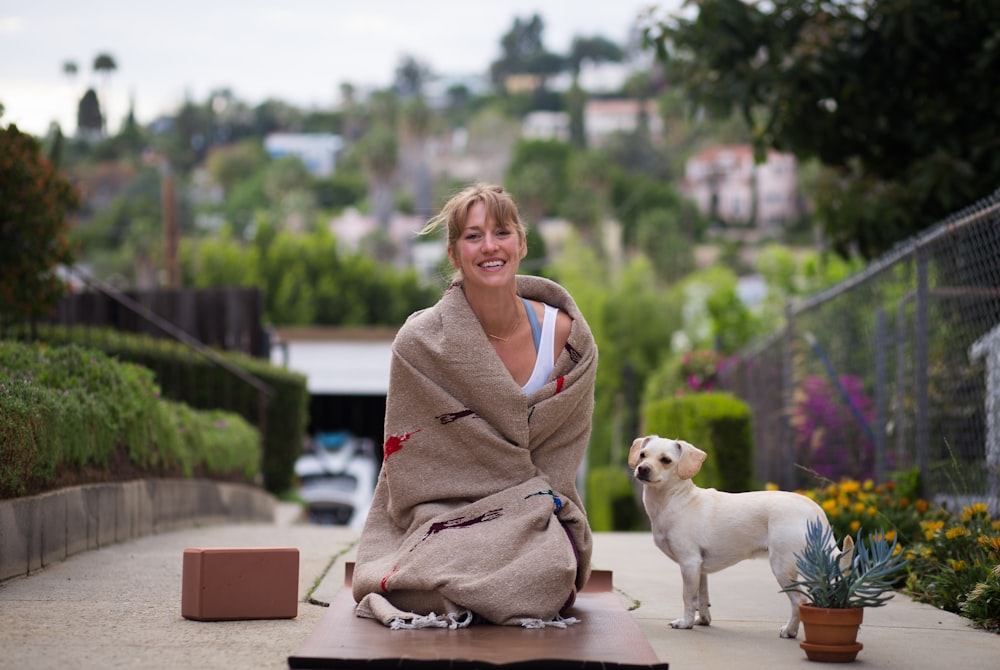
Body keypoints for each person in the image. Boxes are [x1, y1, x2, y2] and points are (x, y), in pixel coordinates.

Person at [352, 183, 599, 629]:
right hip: (446, 514)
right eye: (473, 235)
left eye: (502, 232)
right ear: (453, 253)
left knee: (549, 572)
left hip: (536, 509)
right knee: (436, 559)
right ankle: (466, 591)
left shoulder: (568, 341)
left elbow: (561, 458)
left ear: (521, 243)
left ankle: (462, 595)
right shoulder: (420, 344)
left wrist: (529, 509)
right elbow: (414, 467)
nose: (489, 246)